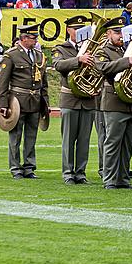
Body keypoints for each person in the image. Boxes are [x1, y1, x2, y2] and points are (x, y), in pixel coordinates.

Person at [94, 18, 132, 189]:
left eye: (122, 32)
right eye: (116, 33)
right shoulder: (102, 50)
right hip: (114, 100)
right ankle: (109, 179)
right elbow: (103, 67)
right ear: (108, 34)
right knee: (113, 142)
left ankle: (123, 178)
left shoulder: (129, 49)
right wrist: (126, 61)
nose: (120, 36)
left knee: (128, 143)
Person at [0, 24, 49, 179]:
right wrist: (3, 104)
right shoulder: (11, 55)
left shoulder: (39, 55)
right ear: (24, 38)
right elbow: (3, 81)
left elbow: (43, 81)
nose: (36, 41)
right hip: (17, 101)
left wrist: (45, 102)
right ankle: (15, 168)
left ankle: (29, 167)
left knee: (31, 136)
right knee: (15, 136)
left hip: (35, 100)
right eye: (33, 38)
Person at [51, 15, 97, 185]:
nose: (78, 32)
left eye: (81, 29)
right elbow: (58, 65)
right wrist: (79, 59)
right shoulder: (61, 48)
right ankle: (68, 172)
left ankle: (81, 172)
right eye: (75, 29)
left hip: (88, 99)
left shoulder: (92, 48)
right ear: (68, 30)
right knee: (69, 139)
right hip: (70, 98)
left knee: (84, 140)